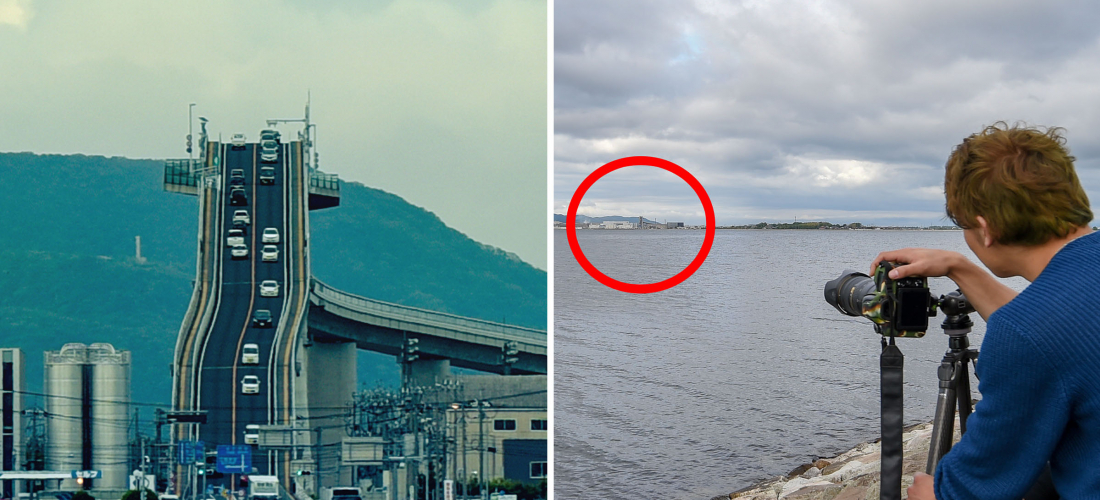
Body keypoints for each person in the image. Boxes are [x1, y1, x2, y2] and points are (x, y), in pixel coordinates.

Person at [870, 122, 1098, 500]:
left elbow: (981, 487)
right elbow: (1065, 339)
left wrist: (934, 494)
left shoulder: (1027, 334)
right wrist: (960, 267)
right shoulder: (1050, 319)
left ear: (984, 228)